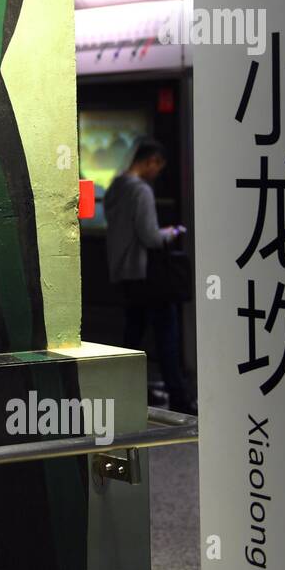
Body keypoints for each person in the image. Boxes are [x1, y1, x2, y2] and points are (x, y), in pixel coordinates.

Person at [103, 138, 195, 414]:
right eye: (158, 166)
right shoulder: (140, 190)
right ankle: (178, 396)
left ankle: (130, 390)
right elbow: (151, 236)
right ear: (150, 161)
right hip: (147, 273)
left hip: (125, 272)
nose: (157, 172)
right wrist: (174, 232)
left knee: (133, 335)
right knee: (167, 334)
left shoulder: (115, 187)